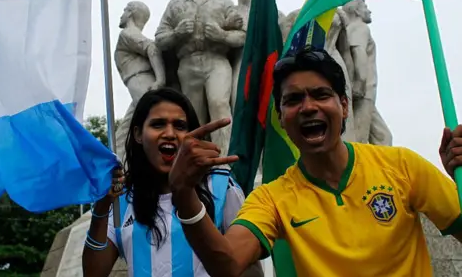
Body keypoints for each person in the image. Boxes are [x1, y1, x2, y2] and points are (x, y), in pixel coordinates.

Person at [169, 48, 462, 277]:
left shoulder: (402, 166)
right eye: (293, 100)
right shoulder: (273, 198)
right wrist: (183, 193)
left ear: (344, 106)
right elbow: (228, 263)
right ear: (281, 118)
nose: (308, 107)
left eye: (321, 95)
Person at [82, 87, 263, 277]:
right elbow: (94, 273)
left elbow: (249, 269)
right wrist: (102, 207)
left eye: (179, 126)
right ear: (138, 134)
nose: (169, 133)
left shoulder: (221, 187)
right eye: (158, 124)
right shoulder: (122, 199)